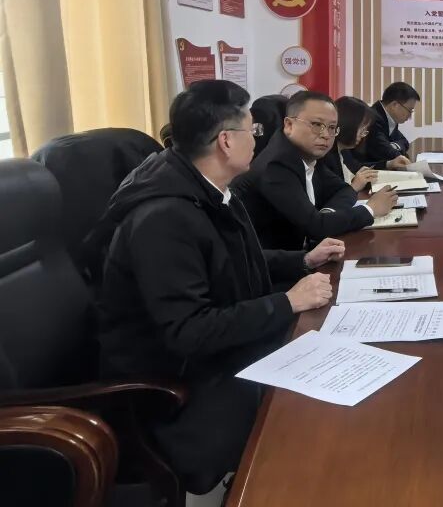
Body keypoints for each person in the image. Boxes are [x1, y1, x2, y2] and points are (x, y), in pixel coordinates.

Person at [94, 80, 343, 494]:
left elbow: (231, 259)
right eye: (253, 130)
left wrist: (301, 260)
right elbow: (190, 331)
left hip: (213, 359)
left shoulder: (207, 190)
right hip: (171, 393)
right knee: (313, 412)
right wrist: (286, 302)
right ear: (227, 141)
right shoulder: (164, 218)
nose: (258, 140)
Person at [231, 91, 398, 251]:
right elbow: (316, 228)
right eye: (317, 125)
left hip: (307, 253)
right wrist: (370, 209)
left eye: (332, 127)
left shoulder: (308, 155)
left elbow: (343, 190)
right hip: (278, 264)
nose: (326, 135)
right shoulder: (276, 165)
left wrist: (327, 213)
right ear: (289, 125)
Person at [322, 96, 409, 192]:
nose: (363, 135)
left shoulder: (343, 150)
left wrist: (389, 164)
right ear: (349, 124)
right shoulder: (326, 156)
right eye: (362, 130)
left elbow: (357, 168)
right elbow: (332, 195)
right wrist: (354, 187)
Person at [354, 82, 418, 162]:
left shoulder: (388, 117)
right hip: (366, 167)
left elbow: (404, 142)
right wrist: (391, 147)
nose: (410, 116)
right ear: (395, 105)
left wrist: (392, 146)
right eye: (409, 110)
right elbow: (386, 153)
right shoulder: (373, 119)